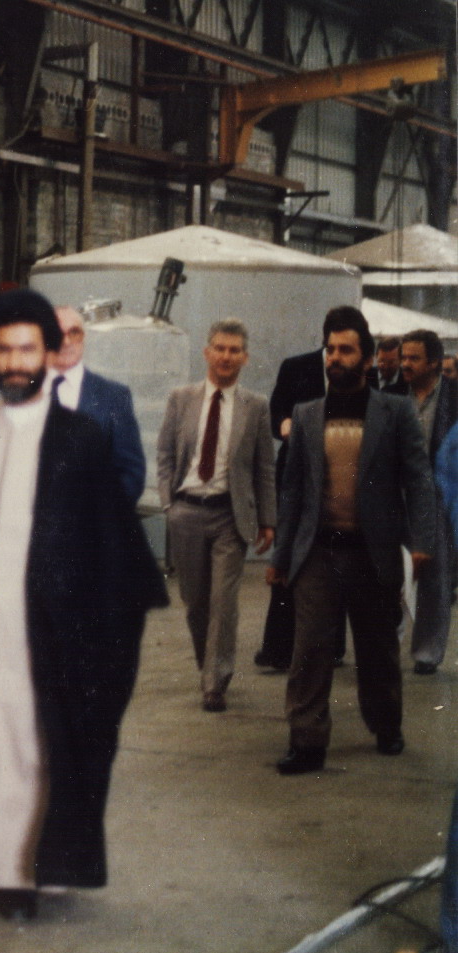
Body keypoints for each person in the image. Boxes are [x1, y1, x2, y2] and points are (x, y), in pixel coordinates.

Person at [0, 289, 167, 921]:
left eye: (28, 350)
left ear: (49, 356)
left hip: (45, 630)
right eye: (4, 350)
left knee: (23, 745)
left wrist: (102, 635)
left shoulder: (81, 438)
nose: (16, 363)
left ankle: (13, 875)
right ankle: (10, 860)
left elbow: (113, 544)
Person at [266, 306, 438, 774]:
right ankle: (306, 741)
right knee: (309, 652)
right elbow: (293, 491)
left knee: (378, 649)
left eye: (345, 350)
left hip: (373, 552)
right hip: (318, 552)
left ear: (366, 358)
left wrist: (422, 540)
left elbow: (419, 480)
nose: (335, 358)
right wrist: (281, 556)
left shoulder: (395, 412)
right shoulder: (306, 415)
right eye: (330, 349)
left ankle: (386, 725)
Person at [156, 319, 276, 712]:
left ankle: (215, 682)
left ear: (245, 357)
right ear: (207, 353)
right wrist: (169, 504)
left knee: (224, 603)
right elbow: (165, 454)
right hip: (187, 512)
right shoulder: (181, 399)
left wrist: (268, 520)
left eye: (234, 350)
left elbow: (264, 468)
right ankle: (207, 664)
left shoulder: (256, 407)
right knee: (196, 602)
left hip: (230, 516)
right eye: (220, 348)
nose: (226, 356)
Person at [254, 336, 342, 672]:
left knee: (335, 559)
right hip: (297, 472)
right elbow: (275, 411)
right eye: (334, 346)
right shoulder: (297, 367)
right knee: (289, 554)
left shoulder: (364, 373)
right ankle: (278, 648)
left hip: (339, 476)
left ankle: (333, 646)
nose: (338, 355)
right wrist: (284, 424)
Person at [399, 328, 458, 674]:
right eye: (403, 357)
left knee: (436, 576)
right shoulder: (391, 395)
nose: (405, 364)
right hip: (395, 495)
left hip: (439, 496)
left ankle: (427, 653)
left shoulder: (455, 397)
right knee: (389, 571)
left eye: (414, 358)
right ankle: (383, 644)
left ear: (434, 362)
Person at [47, 305, 147, 505]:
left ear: (83, 338)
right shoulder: (22, 395)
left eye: (74, 333)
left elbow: (131, 473)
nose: (66, 342)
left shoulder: (113, 397)